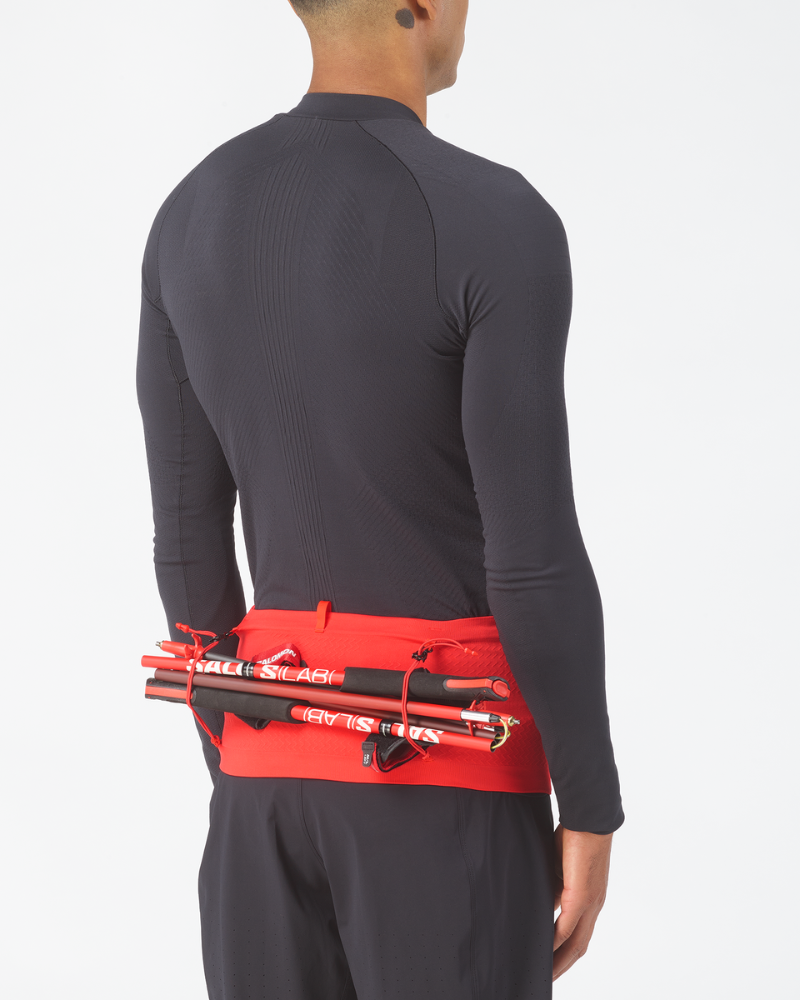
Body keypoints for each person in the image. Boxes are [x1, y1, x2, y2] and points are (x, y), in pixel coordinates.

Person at [136, 0, 624, 996]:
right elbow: (532, 562)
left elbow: (186, 543)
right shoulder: (492, 216)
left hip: (260, 791)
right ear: (420, 3)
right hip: (447, 785)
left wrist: (251, 746)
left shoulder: (189, 213)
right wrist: (589, 804)